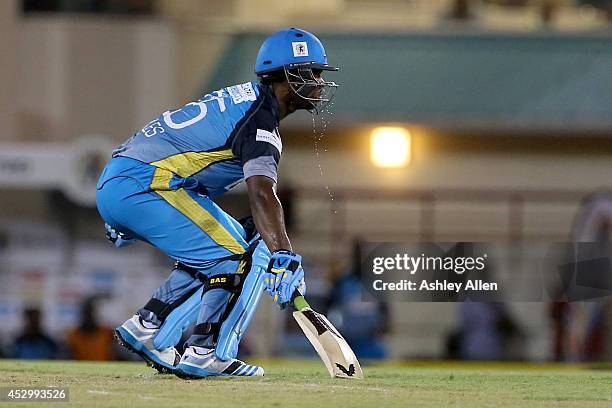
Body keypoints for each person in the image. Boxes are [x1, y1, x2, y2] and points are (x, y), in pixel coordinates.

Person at [95, 28, 338, 379]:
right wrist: (284, 254)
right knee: (236, 256)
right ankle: (204, 353)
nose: (318, 81)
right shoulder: (259, 119)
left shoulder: (247, 102)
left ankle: (147, 324)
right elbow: (262, 192)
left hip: (126, 181)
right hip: (147, 184)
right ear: (286, 74)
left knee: (226, 246)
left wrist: (122, 208)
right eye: (311, 71)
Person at [66, 296, 115, 361]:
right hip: (81, 369)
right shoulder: (74, 335)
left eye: (90, 313)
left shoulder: (107, 333)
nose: (88, 317)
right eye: (86, 313)